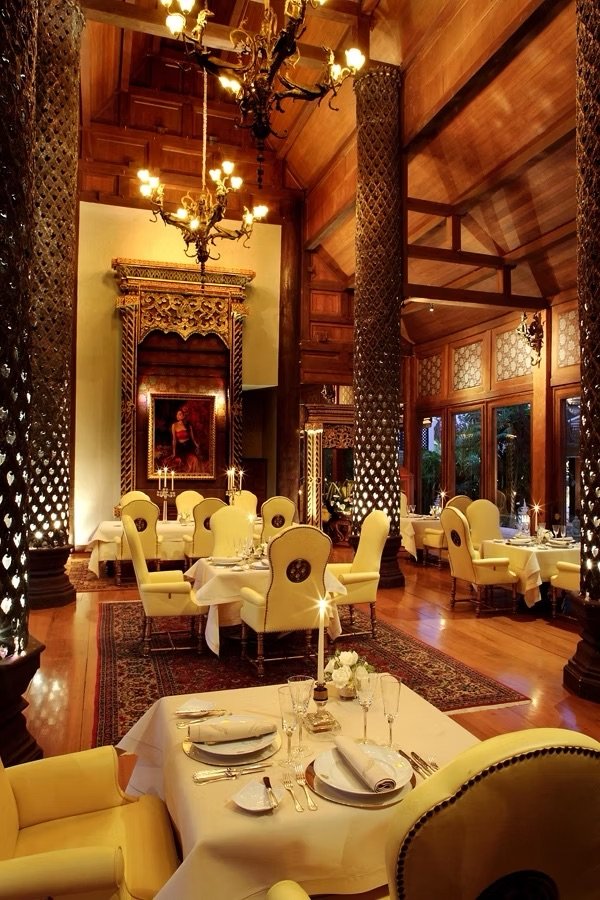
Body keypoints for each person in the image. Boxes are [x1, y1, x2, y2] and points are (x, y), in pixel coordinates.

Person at [171, 408, 201, 473]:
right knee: (183, 462)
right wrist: (174, 452)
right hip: (180, 448)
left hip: (189, 447)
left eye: (180, 414)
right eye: (177, 414)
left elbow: (192, 438)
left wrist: (196, 445)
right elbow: (174, 440)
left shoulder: (188, 426)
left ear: (183, 416)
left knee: (194, 460)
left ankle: (193, 476)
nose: (177, 416)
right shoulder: (174, 425)